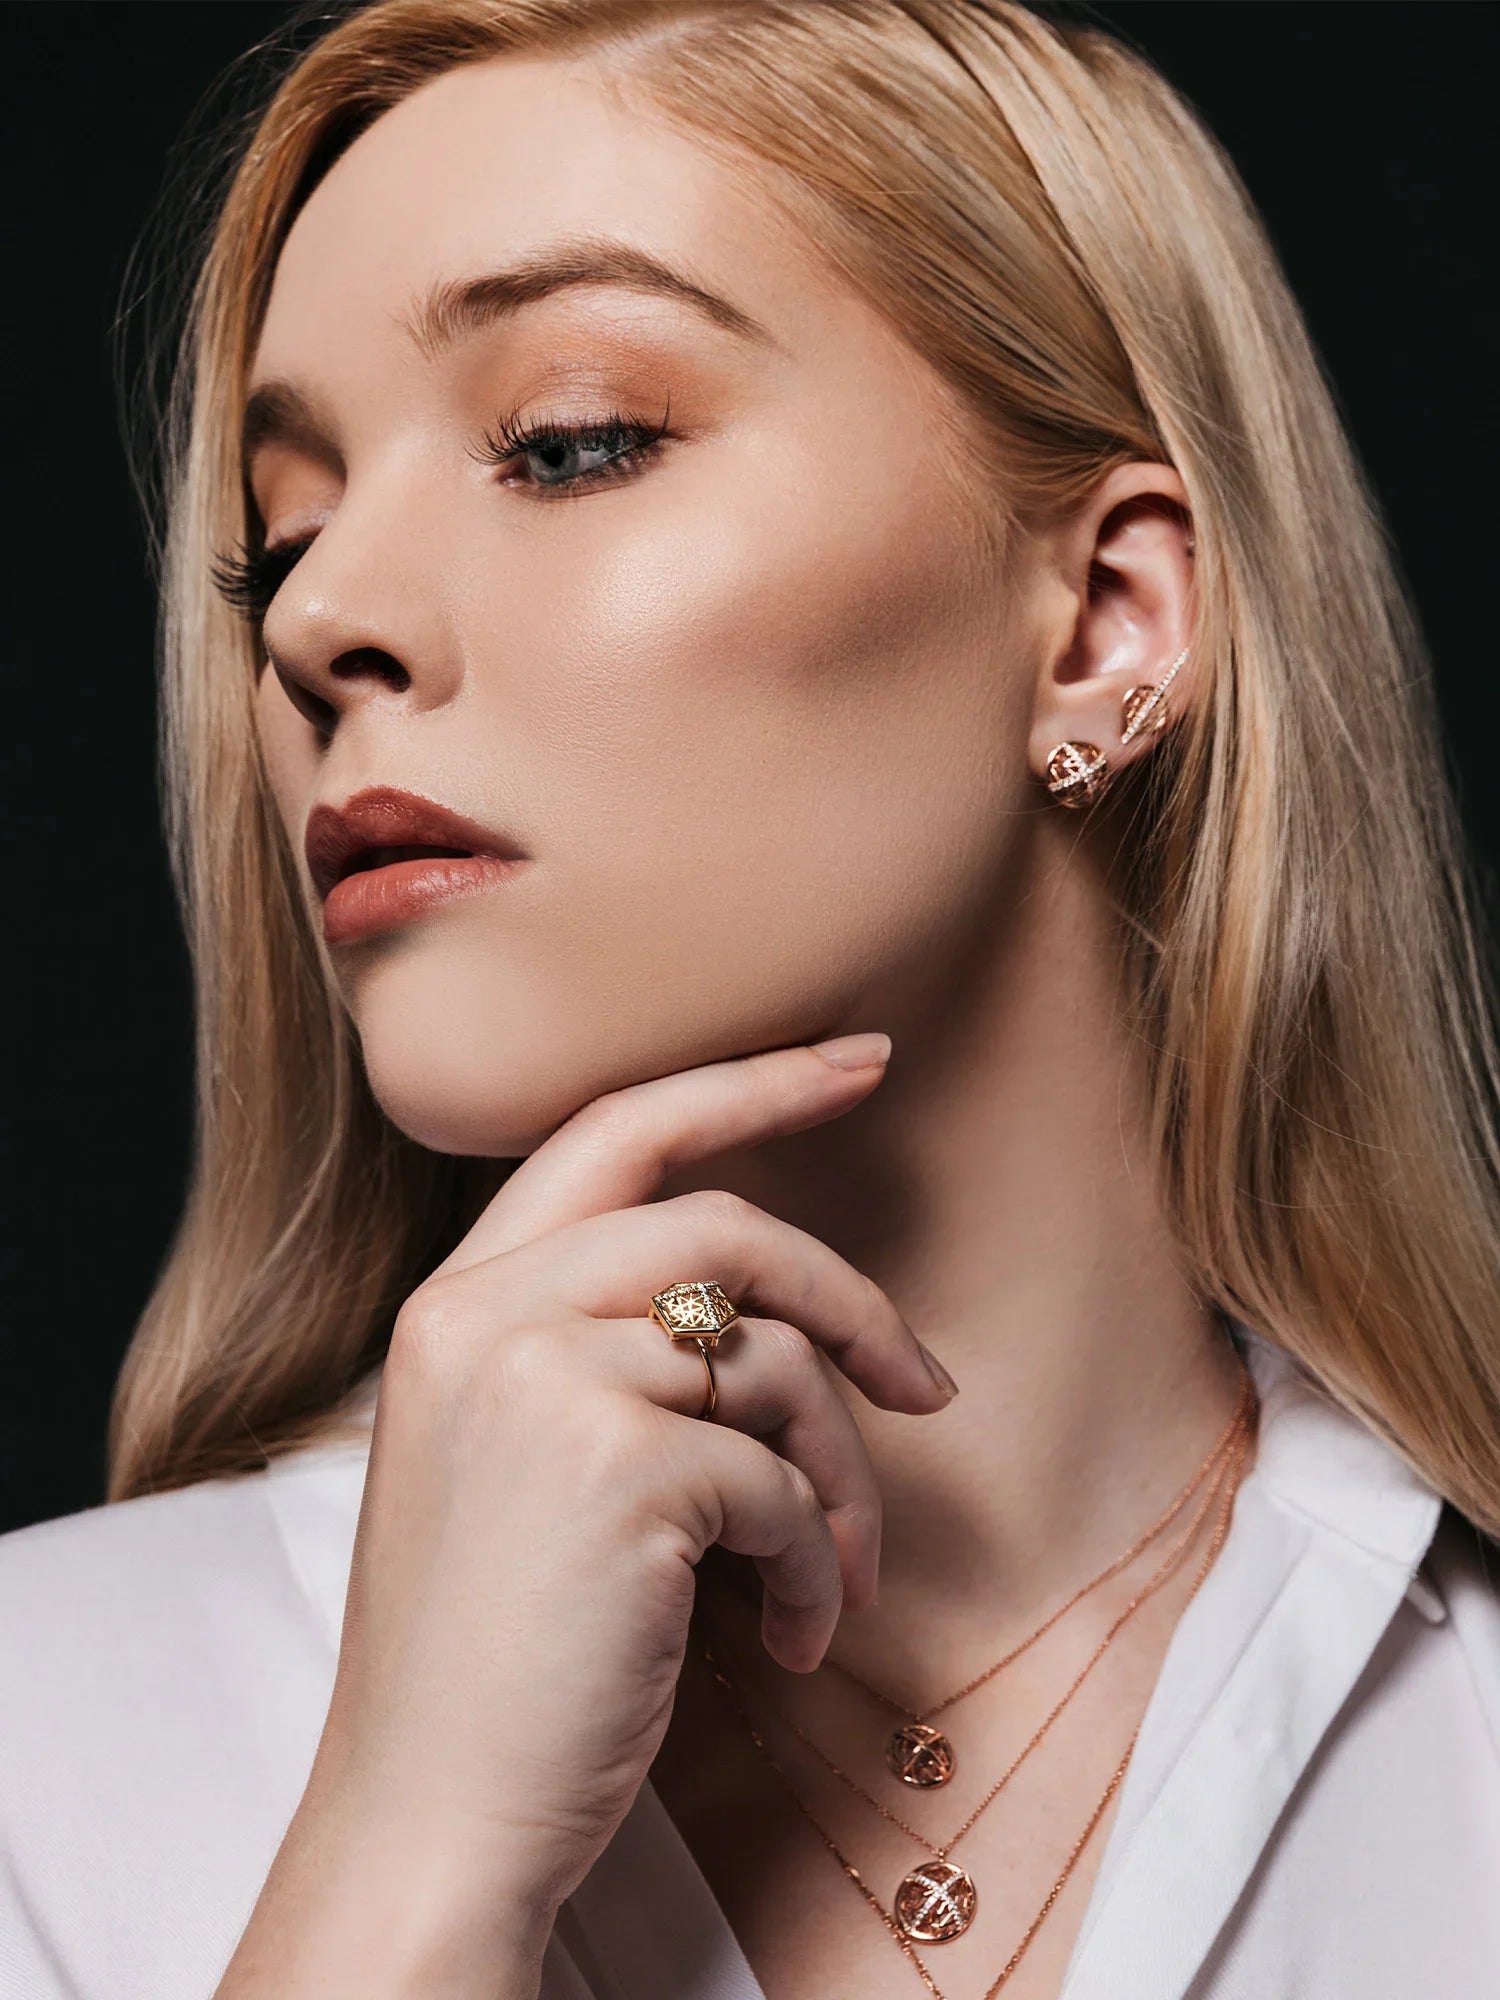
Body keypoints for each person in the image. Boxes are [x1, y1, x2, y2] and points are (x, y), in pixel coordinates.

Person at [3, 1, 1499, 1995]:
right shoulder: (47, 1741)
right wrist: (398, 1872)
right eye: (279, 537)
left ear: (1110, 627)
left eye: (569, 441)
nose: (318, 619)